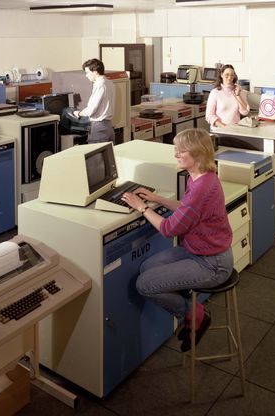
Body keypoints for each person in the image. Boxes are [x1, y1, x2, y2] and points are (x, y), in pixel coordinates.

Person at [121, 129, 233, 352]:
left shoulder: (202, 188)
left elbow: (169, 228)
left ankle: (195, 314)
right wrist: (156, 199)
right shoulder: (203, 177)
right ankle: (190, 304)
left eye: (180, 151)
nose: (175, 155)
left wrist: (141, 207)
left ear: (197, 154)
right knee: (147, 266)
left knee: (145, 284)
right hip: (199, 251)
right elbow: (186, 209)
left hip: (212, 264)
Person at [73, 58, 115, 143]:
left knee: (96, 156)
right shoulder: (110, 83)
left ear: (95, 71)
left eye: (87, 72)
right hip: (108, 127)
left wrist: (79, 113)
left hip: (98, 128)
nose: (86, 75)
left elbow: (91, 110)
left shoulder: (100, 85)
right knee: (108, 155)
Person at [205, 64, 250, 128]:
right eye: (227, 75)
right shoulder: (215, 92)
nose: (229, 78)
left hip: (235, 129)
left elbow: (245, 112)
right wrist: (225, 127)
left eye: (232, 75)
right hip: (220, 130)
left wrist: (238, 95)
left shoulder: (239, 91)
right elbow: (209, 116)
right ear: (221, 75)